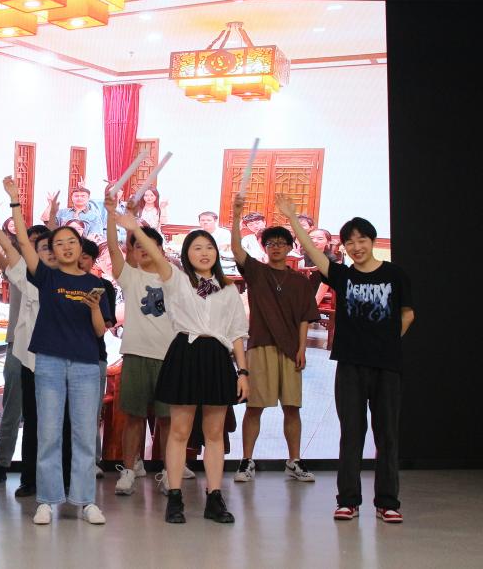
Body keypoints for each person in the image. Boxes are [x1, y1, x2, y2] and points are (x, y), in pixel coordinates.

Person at [276, 195, 414, 524]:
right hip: (350, 365)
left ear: (372, 241)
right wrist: (293, 220)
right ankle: (348, 500)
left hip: (387, 366)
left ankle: (388, 502)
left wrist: (387, 342)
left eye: (362, 240)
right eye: (350, 242)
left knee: (387, 435)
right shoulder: (343, 275)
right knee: (351, 432)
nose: (356, 247)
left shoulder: (395, 274)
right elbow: (313, 252)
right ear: (344, 247)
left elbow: (408, 314)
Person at [116, 212, 249, 524]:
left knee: (214, 433)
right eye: (196, 248)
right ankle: (174, 497)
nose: (204, 253)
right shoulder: (175, 279)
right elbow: (154, 253)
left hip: (217, 357)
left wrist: (243, 372)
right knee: (178, 430)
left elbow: (237, 334)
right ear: (186, 255)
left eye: (209, 247)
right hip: (185, 353)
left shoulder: (228, 289)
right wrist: (135, 228)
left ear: (216, 253)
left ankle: (214, 498)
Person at [6, 176, 110, 526]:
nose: (65, 247)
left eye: (71, 243)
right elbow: (23, 241)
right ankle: (47, 500)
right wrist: (15, 202)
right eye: (59, 243)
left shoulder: (95, 283)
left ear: (81, 248)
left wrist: (94, 307)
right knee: (49, 433)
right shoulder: (47, 277)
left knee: (83, 434)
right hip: (49, 362)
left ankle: (85, 501)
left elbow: (100, 330)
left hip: (85, 365)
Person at [104, 196, 194, 496]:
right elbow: (114, 249)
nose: (143, 250)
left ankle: (169, 471)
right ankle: (130, 470)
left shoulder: (174, 277)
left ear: (161, 250)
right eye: (138, 246)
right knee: (133, 417)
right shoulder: (130, 277)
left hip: (169, 357)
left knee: (167, 419)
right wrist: (112, 216)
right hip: (135, 355)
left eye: (149, 246)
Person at [230, 194, 320, 485]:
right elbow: (235, 249)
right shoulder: (256, 272)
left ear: (290, 247)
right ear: (264, 247)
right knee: (254, 406)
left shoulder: (300, 281)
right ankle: (247, 460)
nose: (277, 247)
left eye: (282, 243)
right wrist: (236, 216)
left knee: (292, 407)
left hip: (291, 349)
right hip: (261, 346)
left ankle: (294, 461)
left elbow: (305, 317)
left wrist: (302, 348)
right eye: (271, 243)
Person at [0, 209, 54, 500]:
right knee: (13, 406)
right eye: (31, 242)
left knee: (44, 413)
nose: (35, 246)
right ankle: (1, 462)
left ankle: (41, 473)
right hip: (18, 346)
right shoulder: (18, 269)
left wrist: (53, 217)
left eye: (41, 242)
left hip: (51, 351)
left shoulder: (56, 274)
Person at [79, 237, 117, 479]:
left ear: (93, 261)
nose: (80, 260)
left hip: (95, 354)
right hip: (65, 355)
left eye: (85, 257)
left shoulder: (102, 286)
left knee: (92, 411)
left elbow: (106, 323)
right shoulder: (57, 283)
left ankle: (93, 459)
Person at [198, 211, 236, 275]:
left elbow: (224, 249)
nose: (205, 222)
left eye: (209, 220)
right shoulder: (194, 232)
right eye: (202, 220)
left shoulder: (224, 233)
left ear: (215, 221)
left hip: (219, 261)